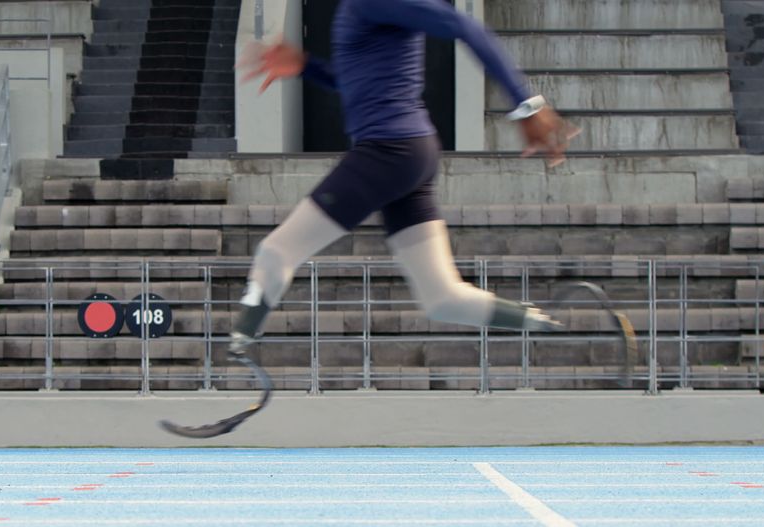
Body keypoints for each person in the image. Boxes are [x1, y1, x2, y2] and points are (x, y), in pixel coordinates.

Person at [230, 0, 579, 357]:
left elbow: (467, 26)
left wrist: (527, 105)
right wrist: (305, 66)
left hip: (389, 151)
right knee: (444, 298)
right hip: (409, 153)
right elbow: (358, 82)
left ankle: (238, 353)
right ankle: (546, 323)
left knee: (275, 252)